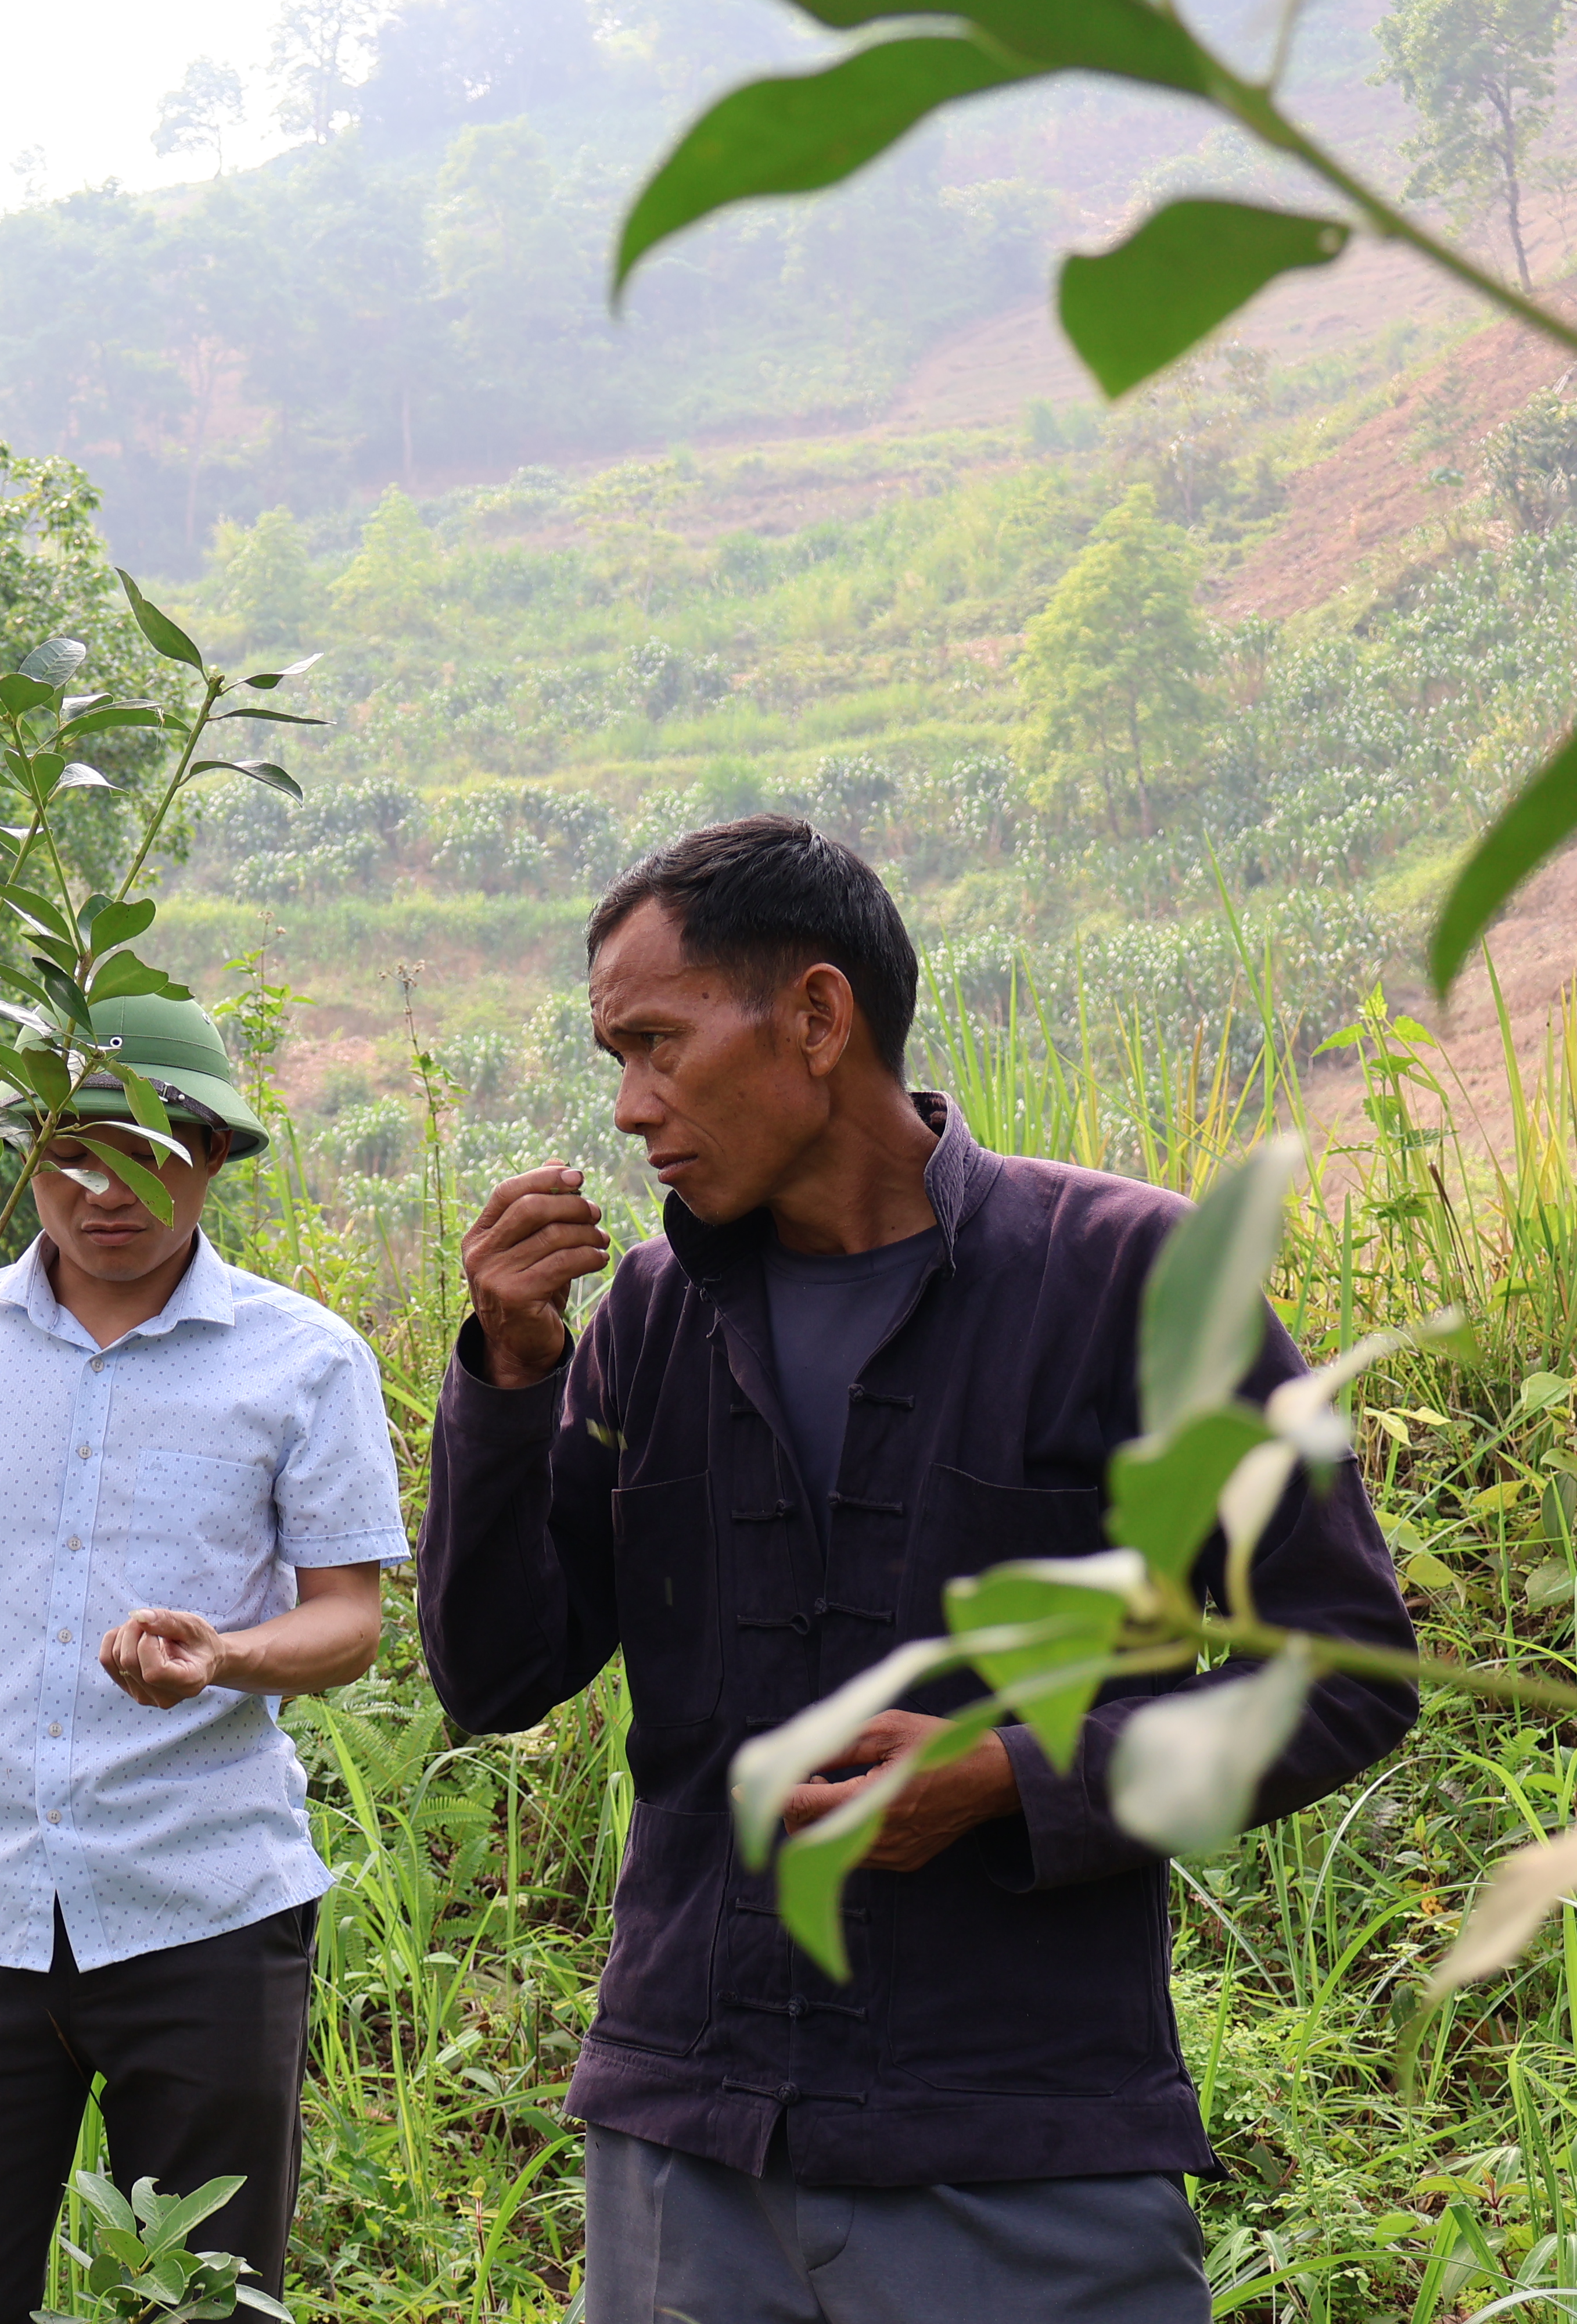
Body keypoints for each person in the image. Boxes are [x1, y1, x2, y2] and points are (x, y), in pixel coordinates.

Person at [419, 818, 1415, 2323]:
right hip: (691, 2153)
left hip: (1026, 2154)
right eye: (612, 1056)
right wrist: (505, 1373)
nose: (628, 1108)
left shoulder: (1135, 1279)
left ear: (817, 1019)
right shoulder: (643, 1317)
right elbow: (494, 1674)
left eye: (656, 1045)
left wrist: (1011, 1777)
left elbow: (1345, 1663)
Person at [0, 991, 407, 2324]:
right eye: (69, 1148)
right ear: (24, 1151)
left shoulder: (304, 1360)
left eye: (146, 1151)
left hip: (206, 1910)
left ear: (217, 1155)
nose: (102, 1188)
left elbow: (349, 1617)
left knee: (205, 2305)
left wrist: (227, 1653)